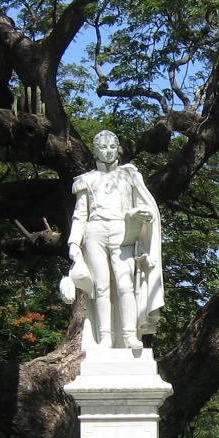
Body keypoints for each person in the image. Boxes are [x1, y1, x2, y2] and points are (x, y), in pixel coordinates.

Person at [64, 130, 164, 349]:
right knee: (100, 286)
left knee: (125, 283)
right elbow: (80, 216)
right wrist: (73, 245)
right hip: (95, 232)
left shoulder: (130, 175)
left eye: (111, 147)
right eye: (102, 147)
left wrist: (144, 213)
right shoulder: (86, 180)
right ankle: (105, 338)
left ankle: (129, 335)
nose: (108, 151)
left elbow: (144, 204)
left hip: (123, 230)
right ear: (95, 149)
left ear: (117, 147)